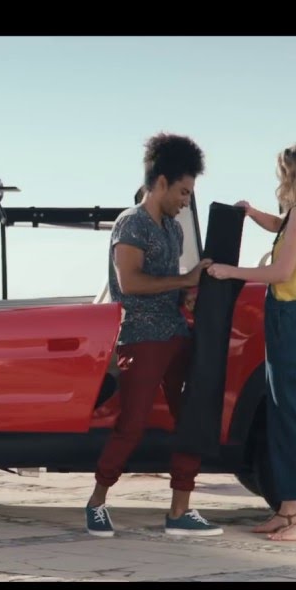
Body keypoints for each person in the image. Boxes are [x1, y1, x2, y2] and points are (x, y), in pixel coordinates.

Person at [206, 140, 296, 541]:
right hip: (294, 316)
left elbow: (281, 272)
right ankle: (289, 511)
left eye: (284, 170)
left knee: (294, 420)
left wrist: (229, 271)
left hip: (291, 317)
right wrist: (252, 214)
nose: (280, 177)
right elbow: (280, 228)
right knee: (282, 417)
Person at [86, 132, 221, 538]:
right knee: (132, 425)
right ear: (161, 183)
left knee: (191, 420)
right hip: (141, 337)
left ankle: (180, 511)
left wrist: (188, 294)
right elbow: (130, 283)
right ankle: (96, 503)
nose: (186, 201)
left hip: (177, 334)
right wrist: (184, 279)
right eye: (183, 192)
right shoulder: (131, 223)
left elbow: (169, 282)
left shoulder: (174, 230)